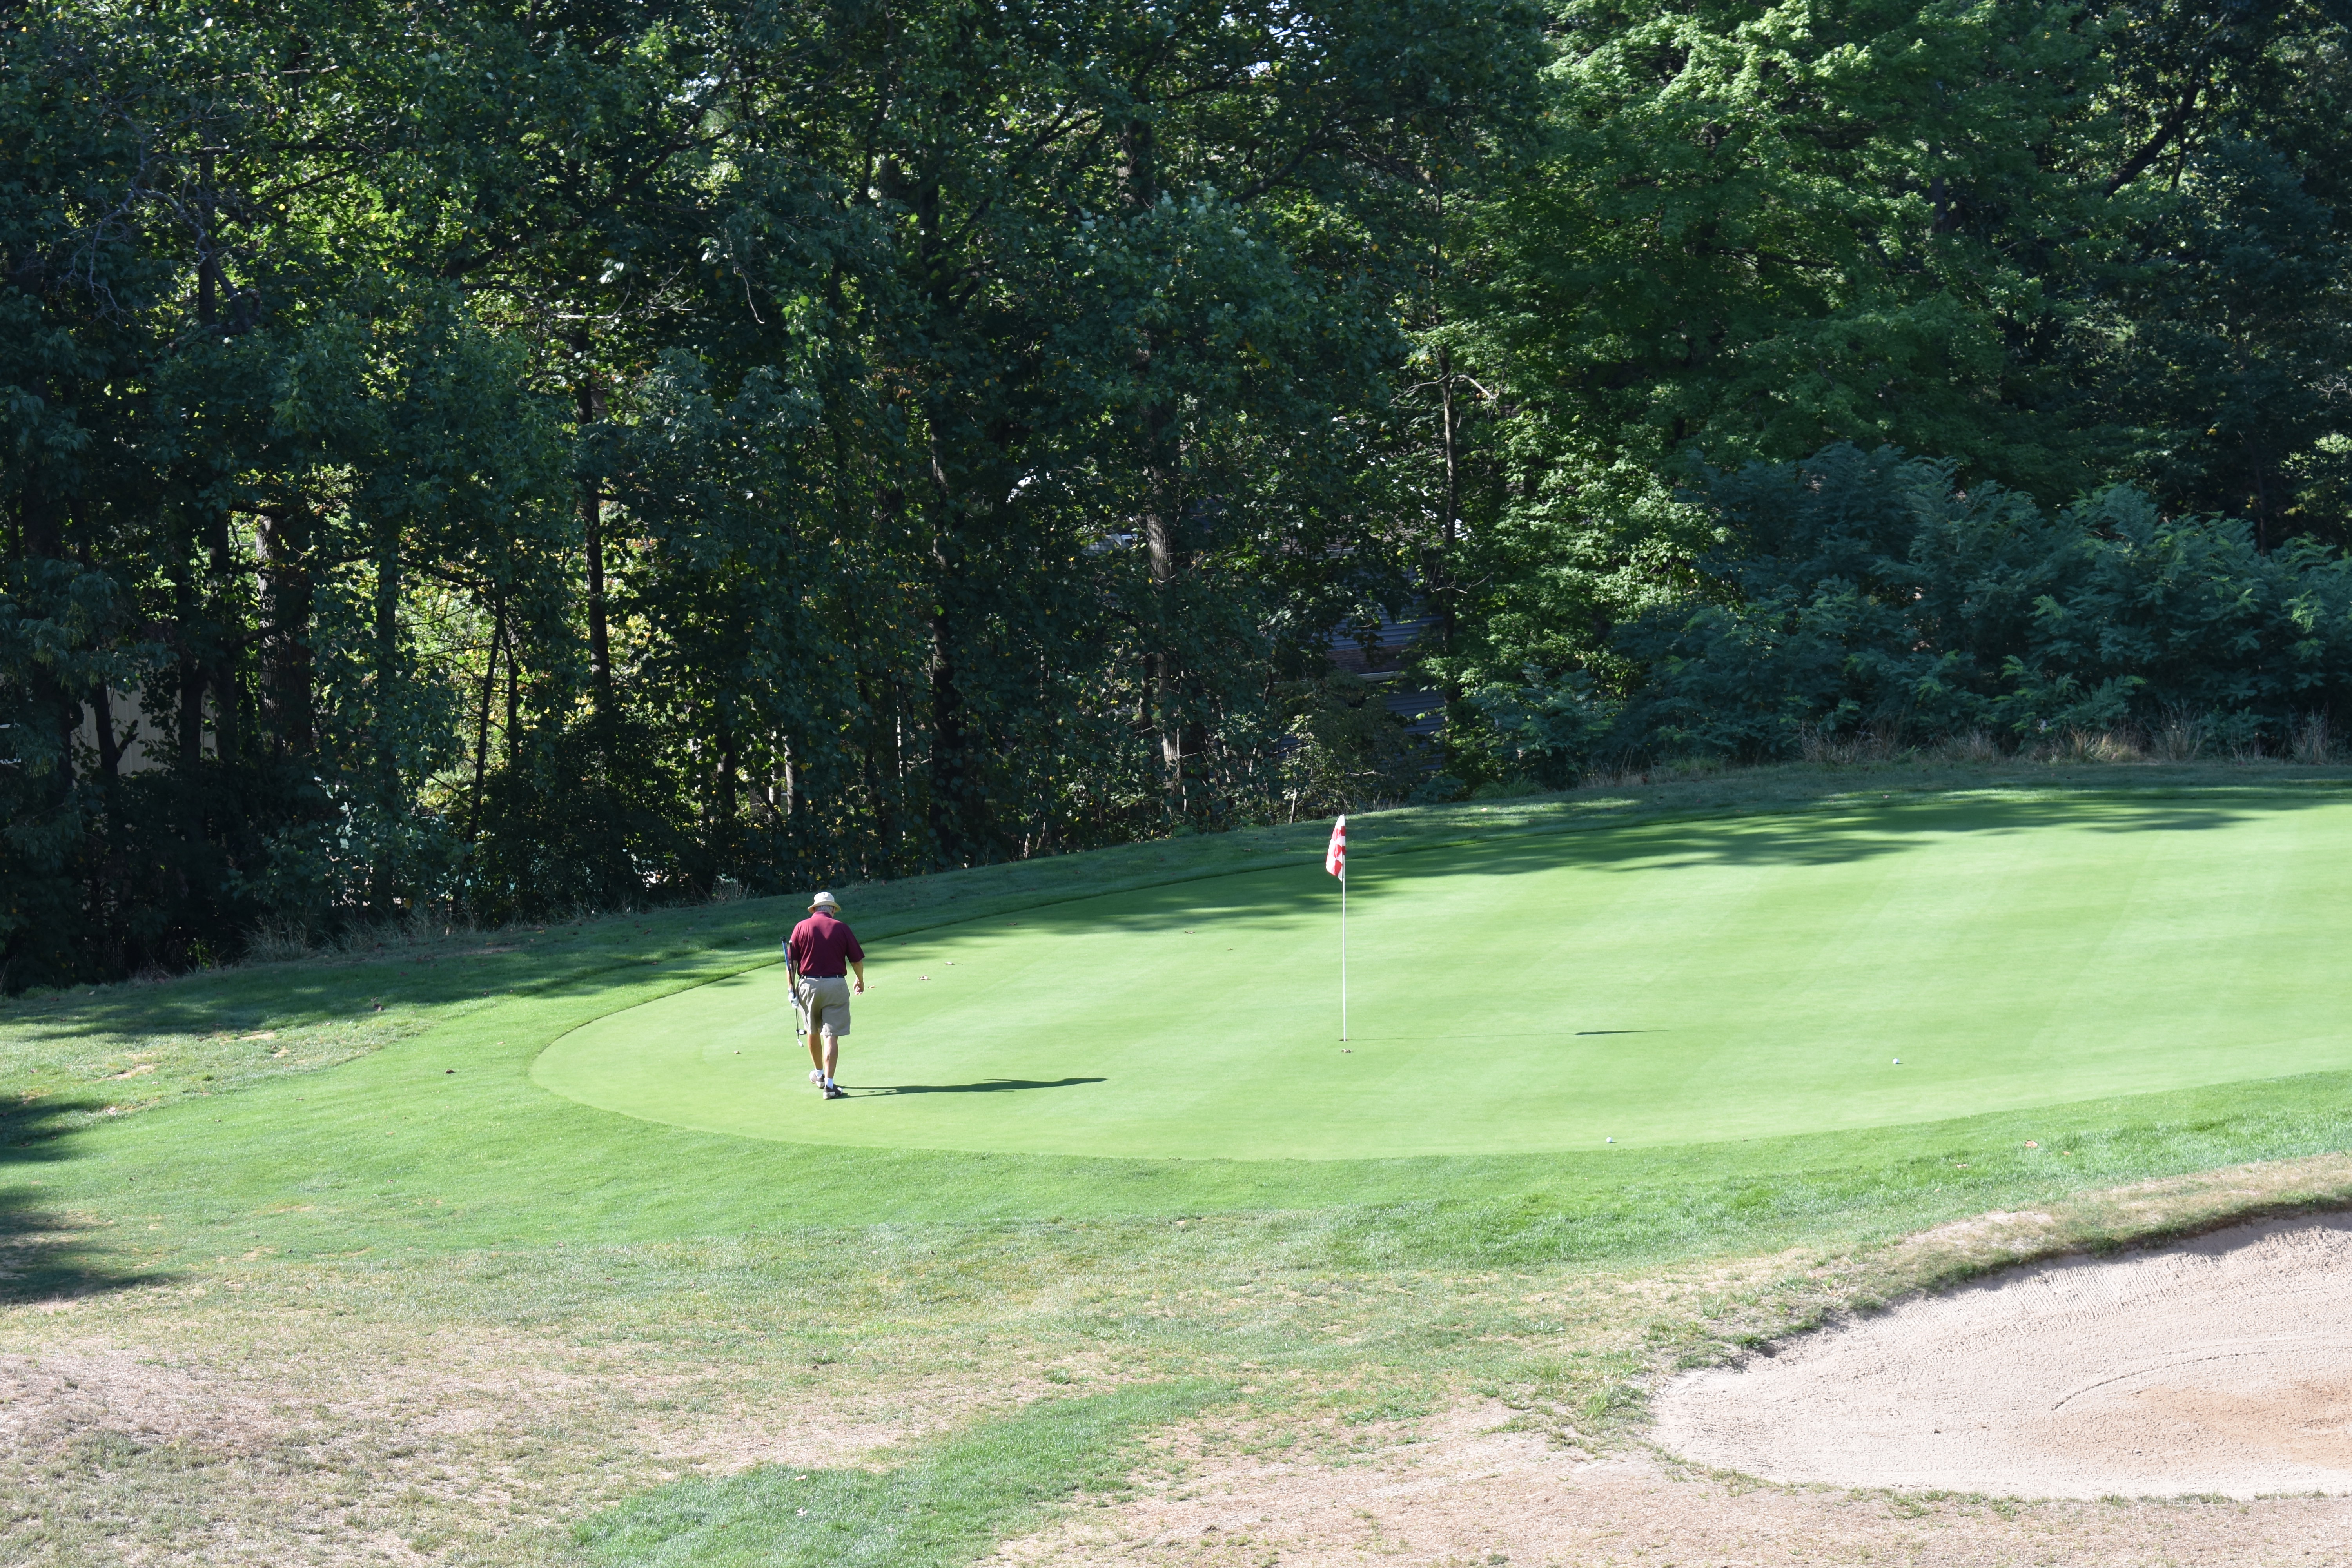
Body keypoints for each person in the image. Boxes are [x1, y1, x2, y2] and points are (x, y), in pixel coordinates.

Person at [786, 890, 865, 1100]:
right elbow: (856, 960)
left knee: (812, 1030)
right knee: (831, 1036)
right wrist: (860, 979)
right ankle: (829, 1086)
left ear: (815, 909)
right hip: (835, 985)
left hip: (807, 985)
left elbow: (791, 964)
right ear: (831, 909)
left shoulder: (800, 927)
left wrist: (791, 989)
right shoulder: (841, 928)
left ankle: (819, 1075)